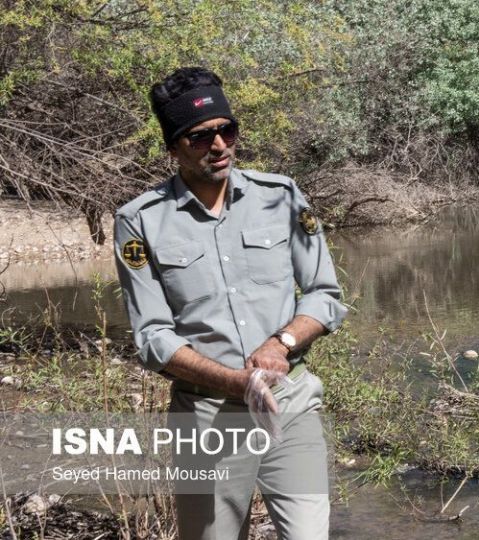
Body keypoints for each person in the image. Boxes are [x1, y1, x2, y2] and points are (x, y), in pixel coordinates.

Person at [114, 67, 346, 539]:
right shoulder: (139, 221)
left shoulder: (281, 196)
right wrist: (236, 382)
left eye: (227, 130)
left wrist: (281, 344)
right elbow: (153, 338)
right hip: (206, 417)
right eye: (200, 137)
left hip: (291, 403)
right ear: (173, 147)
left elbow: (325, 294)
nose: (219, 146)